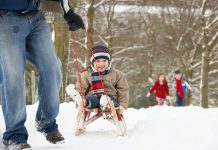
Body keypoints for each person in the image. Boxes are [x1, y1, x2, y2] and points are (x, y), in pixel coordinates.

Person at [0, 0, 84, 149]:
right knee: (12, 75)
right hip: (6, 17)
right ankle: (14, 135)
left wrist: (68, 12)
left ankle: (46, 122)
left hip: (36, 17)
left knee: (52, 68)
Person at [70, 45, 129, 111]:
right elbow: (81, 88)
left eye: (104, 61)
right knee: (92, 99)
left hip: (112, 100)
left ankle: (106, 104)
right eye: (97, 61)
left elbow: (123, 90)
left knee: (107, 99)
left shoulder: (116, 74)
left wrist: (123, 105)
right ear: (92, 62)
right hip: (94, 99)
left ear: (108, 61)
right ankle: (82, 101)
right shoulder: (86, 74)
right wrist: (81, 97)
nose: (101, 64)